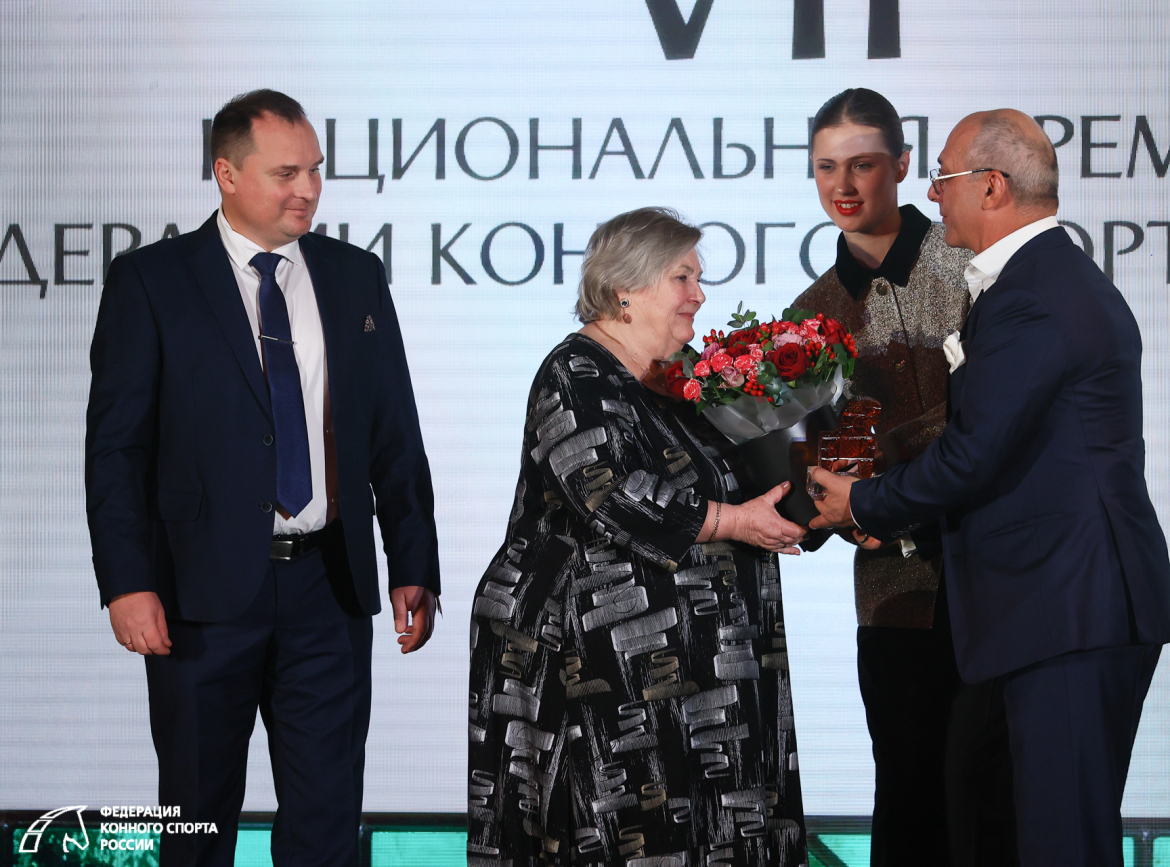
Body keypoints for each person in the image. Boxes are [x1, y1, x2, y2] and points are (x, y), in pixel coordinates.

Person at [808, 109, 1170, 867]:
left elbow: (973, 454)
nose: (931, 193)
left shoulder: (1031, 294)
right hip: (1057, 604)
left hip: (1068, 605)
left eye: (941, 177)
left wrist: (863, 501)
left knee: (1061, 841)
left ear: (991, 186)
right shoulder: (1042, 279)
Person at [85, 89, 441, 867]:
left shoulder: (354, 275)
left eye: (315, 169)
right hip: (197, 594)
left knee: (326, 821)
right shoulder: (151, 281)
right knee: (196, 819)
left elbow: (394, 432)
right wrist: (126, 581)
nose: (307, 188)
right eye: (286, 173)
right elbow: (116, 450)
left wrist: (413, 560)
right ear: (226, 173)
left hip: (329, 589)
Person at [467, 207, 808, 865]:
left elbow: (756, 476)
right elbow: (610, 492)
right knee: (626, 827)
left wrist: (836, 507)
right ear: (626, 287)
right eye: (683, 277)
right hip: (603, 666)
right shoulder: (575, 372)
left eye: (698, 278)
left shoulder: (685, 377)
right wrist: (736, 522)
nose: (699, 294)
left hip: (711, 668)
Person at [791, 88, 1016, 866]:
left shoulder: (973, 267)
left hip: (999, 578)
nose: (843, 185)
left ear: (903, 166)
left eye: (863, 164)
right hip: (895, 596)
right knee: (910, 798)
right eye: (826, 167)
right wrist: (812, 504)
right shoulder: (808, 315)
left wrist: (880, 472)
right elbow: (808, 461)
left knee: (1000, 800)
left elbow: (1004, 420)